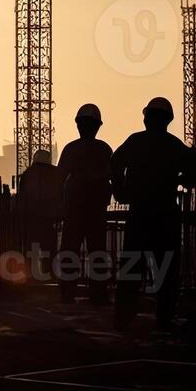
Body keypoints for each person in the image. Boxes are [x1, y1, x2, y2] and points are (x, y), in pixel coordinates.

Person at [110, 97, 196, 331]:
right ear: (168, 120)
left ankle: (124, 315)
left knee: (132, 266)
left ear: (146, 118)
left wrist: (121, 190)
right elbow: (194, 167)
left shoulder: (135, 142)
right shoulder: (173, 145)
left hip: (140, 213)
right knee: (165, 268)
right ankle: (164, 316)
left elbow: (114, 163)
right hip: (165, 214)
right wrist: (185, 179)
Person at [56, 103, 113, 304]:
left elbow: (59, 178)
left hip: (76, 211)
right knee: (96, 252)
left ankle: (68, 293)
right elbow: (112, 178)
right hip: (94, 211)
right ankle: (98, 294)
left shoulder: (72, 149)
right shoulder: (104, 149)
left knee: (71, 251)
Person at [17, 149, 64, 265]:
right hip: (50, 217)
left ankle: (30, 274)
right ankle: (49, 273)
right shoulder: (56, 173)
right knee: (49, 248)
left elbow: (22, 195)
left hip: (32, 217)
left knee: (31, 247)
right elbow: (62, 194)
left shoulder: (28, 173)